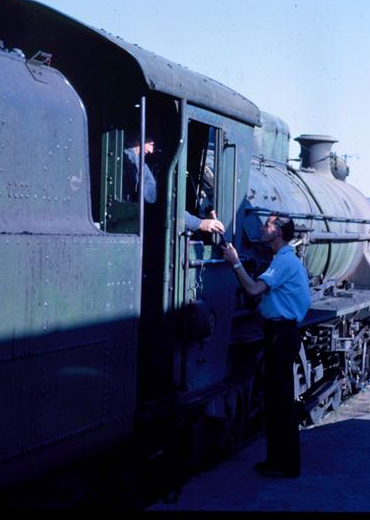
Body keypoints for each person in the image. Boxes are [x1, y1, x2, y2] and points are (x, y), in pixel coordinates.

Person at [220, 214, 310, 478]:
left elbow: (254, 290)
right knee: (277, 401)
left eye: (268, 225)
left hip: (281, 335)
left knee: (281, 402)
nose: (262, 227)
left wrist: (235, 263)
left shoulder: (283, 262)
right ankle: (277, 462)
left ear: (278, 232)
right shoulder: (283, 260)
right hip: (279, 333)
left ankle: (286, 465)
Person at [123, 132, 224, 234]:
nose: (151, 151)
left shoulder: (134, 160)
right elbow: (158, 202)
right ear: (139, 138)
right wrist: (198, 223)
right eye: (151, 145)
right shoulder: (132, 163)